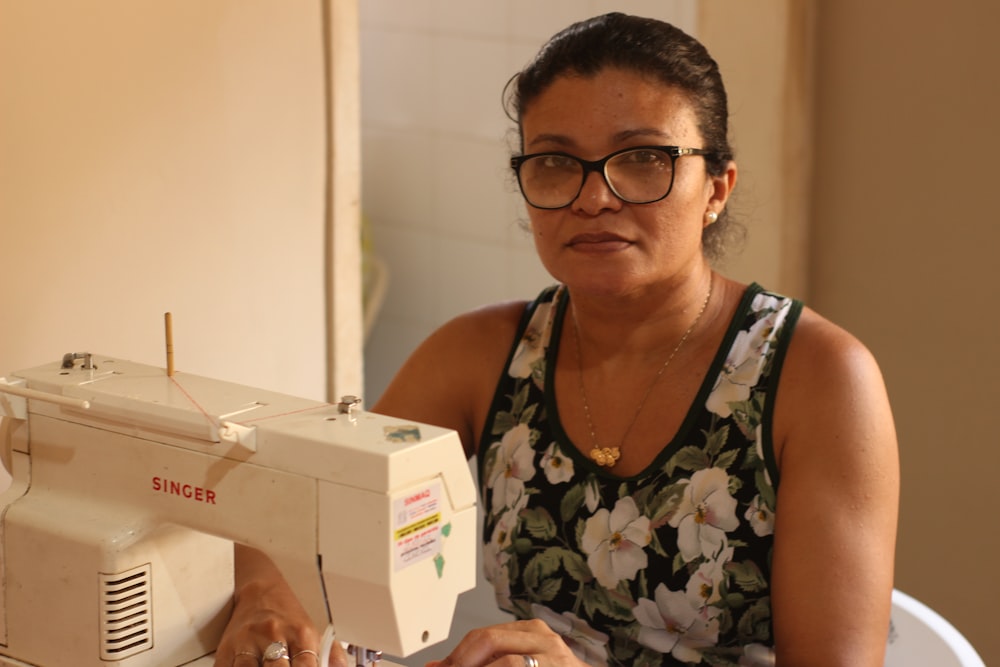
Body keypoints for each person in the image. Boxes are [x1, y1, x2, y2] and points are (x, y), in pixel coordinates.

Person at [216, 12, 899, 667]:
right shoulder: (484, 356)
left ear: (716, 187)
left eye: (642, 157)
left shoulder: (815, 378)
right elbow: (304, 495)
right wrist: (267, 594)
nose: (593, 197)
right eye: (554, 162)